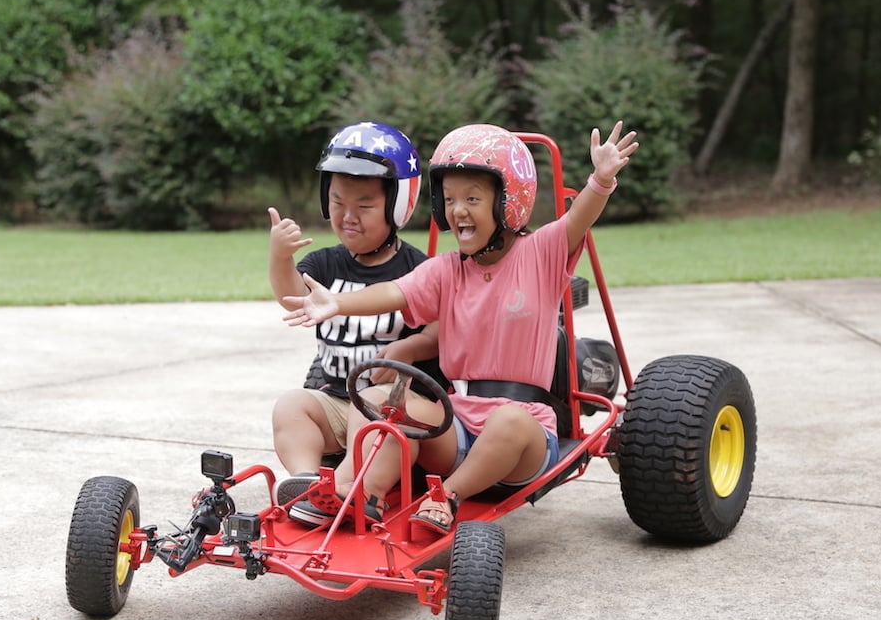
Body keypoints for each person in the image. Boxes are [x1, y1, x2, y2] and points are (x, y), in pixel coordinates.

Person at [282, 121, 638, 532]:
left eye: (472, 198)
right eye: (449, 199)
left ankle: (447, 496)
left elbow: (579, 219)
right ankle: (354, 494)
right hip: (457, 424)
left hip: (525, 432)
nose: (457, 210)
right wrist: (337, 302)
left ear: (507, 202)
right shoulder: (446, 269)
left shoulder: (540, 254)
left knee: (507, 420)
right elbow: (394, 292)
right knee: (381, 398)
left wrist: (601, 179)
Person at [267, 121, 440, 505]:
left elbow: (442, 331)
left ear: (398, 205)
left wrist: (409, 349)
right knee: (292, 405)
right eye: (338, 203)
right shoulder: (326, 265)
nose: (348, 215)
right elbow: (292, 296)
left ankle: (362, 495)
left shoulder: (418, 270)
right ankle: (307, 481)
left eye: (364, 206)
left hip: (396, 412)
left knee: (378, 412)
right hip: (338, 400)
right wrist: (281, 257)